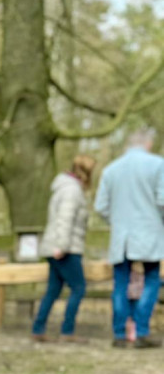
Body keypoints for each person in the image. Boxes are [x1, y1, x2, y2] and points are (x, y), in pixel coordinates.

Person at [95, 129, 164, 348]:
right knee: (152, 279)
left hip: (121, 237)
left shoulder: (110, 170)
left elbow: (100, 207)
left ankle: (119, 333)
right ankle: (141, 330)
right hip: (149, 233)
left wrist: (117, 222)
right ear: (148, 143)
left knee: (121, 283)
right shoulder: (158, 165)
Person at [31, 155, 95, 343]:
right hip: (65, 248)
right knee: (79, 287)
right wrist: (63, 246)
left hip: (55, 246)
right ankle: (67, 331)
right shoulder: (72, 191)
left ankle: (38, 328)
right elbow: (65, 220)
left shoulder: (63, 187)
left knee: (53, 289)